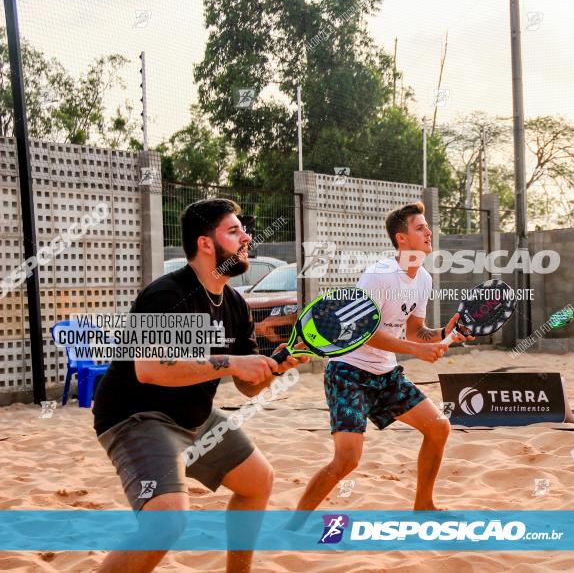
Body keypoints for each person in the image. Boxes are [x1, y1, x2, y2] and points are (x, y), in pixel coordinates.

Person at [92, 199, 307, 573]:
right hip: (138, 417)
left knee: (258, 482)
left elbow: (247, 389)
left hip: (195, 417)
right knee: (167, 522)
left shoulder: (236, 304)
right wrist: (235, 362)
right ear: (206, 244)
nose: (247, 237)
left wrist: (272, 370)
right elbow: (151, 368)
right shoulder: (169, 295)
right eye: (234, 230)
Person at [293, 201, 471, 515]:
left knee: (438, 428)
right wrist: (418, 351)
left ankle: (424, 505)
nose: (429, 231)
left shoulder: (423, 280)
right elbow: (360, 331)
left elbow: (416, 332)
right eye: (420, 227)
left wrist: (445, 331)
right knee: (347, 460)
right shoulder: (379, 276)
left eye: (427, 226)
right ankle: (294, 523)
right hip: (348, 373)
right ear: (401, 239)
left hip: (386, 375)